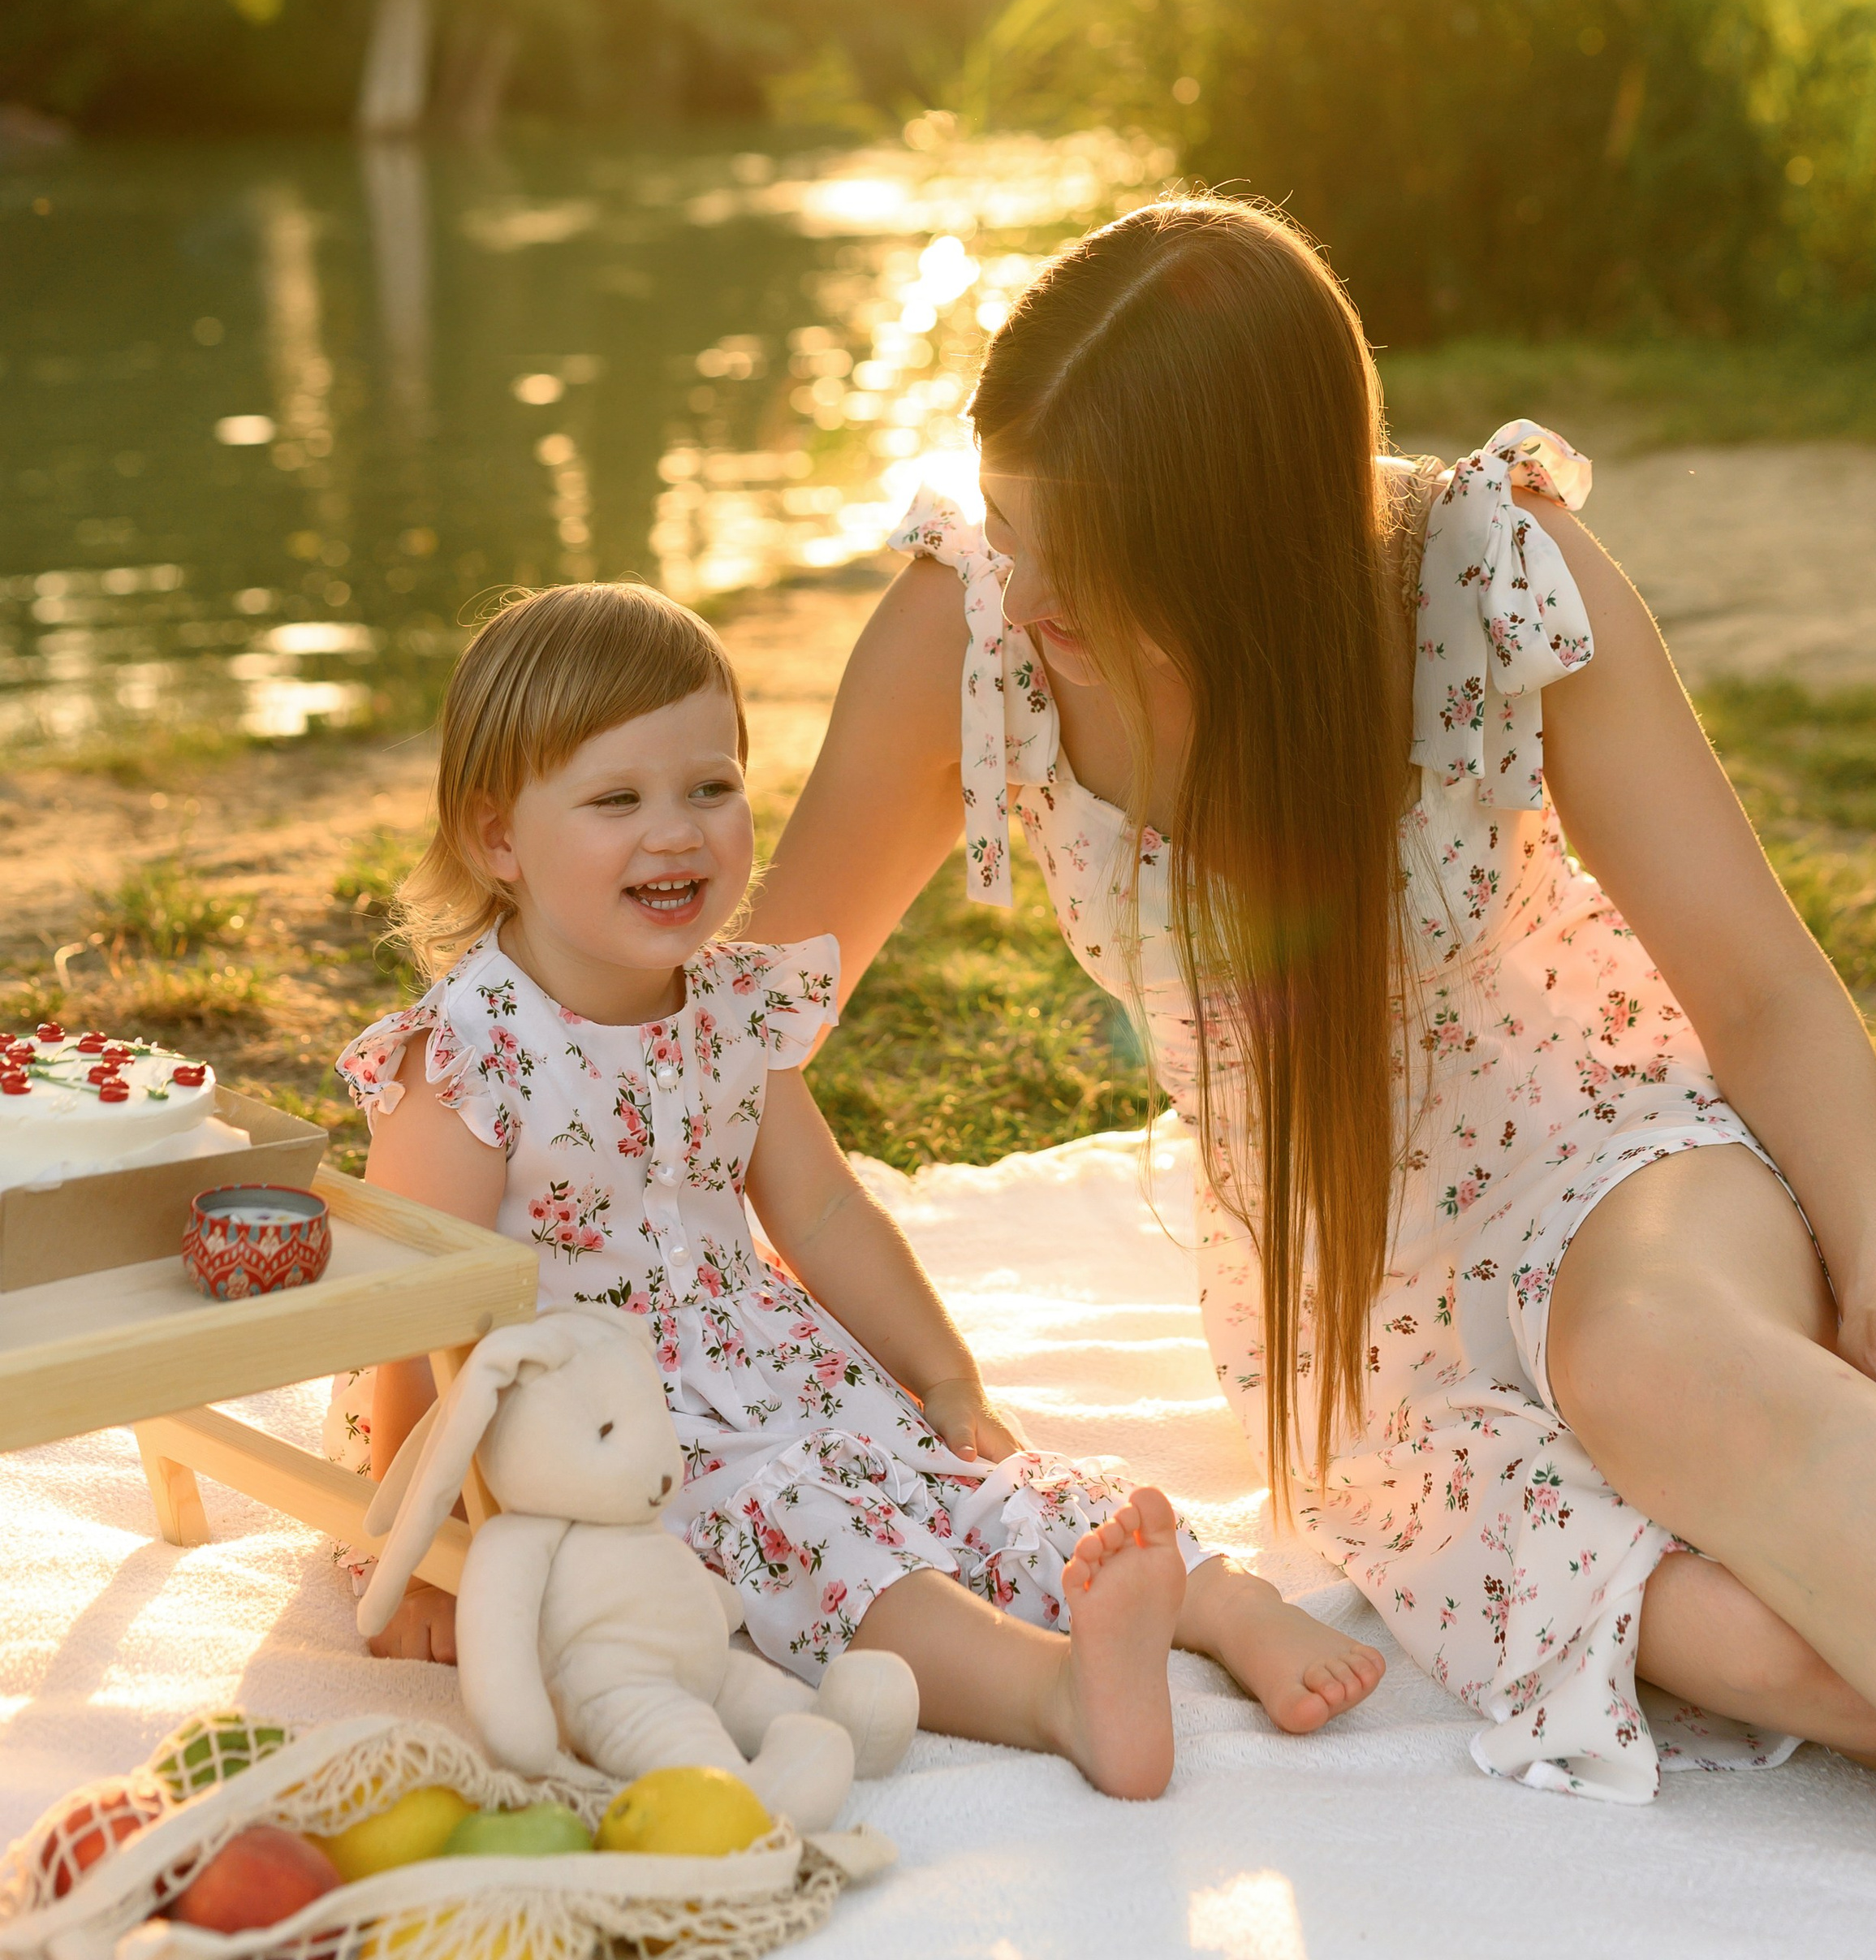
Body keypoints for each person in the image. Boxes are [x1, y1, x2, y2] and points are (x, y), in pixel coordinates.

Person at [748, 192, 1876, 1826]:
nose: (1022, 593)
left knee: (1648, 1359)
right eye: (1012, 529)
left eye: (1072, 557)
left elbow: (1754, 979)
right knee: (1753, 1633)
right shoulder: (973, 637)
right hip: (1349, 1302)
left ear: (1236, 538)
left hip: (1609, 1151)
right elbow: (732, 1031)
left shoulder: (1476, 572)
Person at [334, 578, 1382, 1799]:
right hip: (584, 1413)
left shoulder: (730, 1002)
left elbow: (823, 1211)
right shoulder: (469, 1049)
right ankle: (1051, 1693)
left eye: (711, 788)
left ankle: (1223, 1604)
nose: (676, 832)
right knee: (806, 1531)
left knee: (945, 1474)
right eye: (617, 799)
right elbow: (412, 1311)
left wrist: (941, 1373)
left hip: (761, 1350)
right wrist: (418, 1555)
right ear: (498, 837)